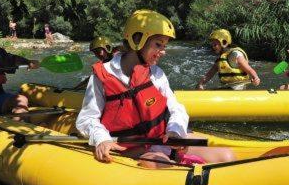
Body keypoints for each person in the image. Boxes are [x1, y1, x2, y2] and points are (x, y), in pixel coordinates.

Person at [75, 9, 235, 168]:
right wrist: (102, 138)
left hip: (163, 140)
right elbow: (86, 119)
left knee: (227, 156)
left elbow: (176, 109)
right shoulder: (102, 76)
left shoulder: (156, 74)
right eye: (158, 45)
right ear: (136, 40)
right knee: (158, 163)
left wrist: (175, 132)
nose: (163, 52)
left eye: (164, 46)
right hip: (133, 149)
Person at [196, 29, 260, 90]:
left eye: (215, 45)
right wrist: (200, 83)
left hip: (239, 89)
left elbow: (249, 69)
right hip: (227, 88)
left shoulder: (235, 54)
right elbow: (209, 74)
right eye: (212, 45)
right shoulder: (220, 59)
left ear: (224, 42)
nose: (213, 47)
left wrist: (255, 78)